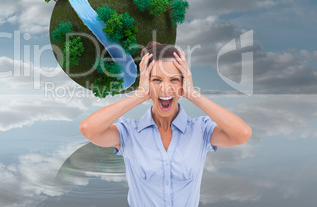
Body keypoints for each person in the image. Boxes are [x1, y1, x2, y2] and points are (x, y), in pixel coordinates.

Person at [79, 41, 252, 207]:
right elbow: (89, 129)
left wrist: (193, 95)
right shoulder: (129, 133)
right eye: (157, 80)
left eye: (174, 80)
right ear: (147, 83)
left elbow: (242, 134)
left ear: (184, 82)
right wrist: (139, 95)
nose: (165, 88)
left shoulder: (201, 130)